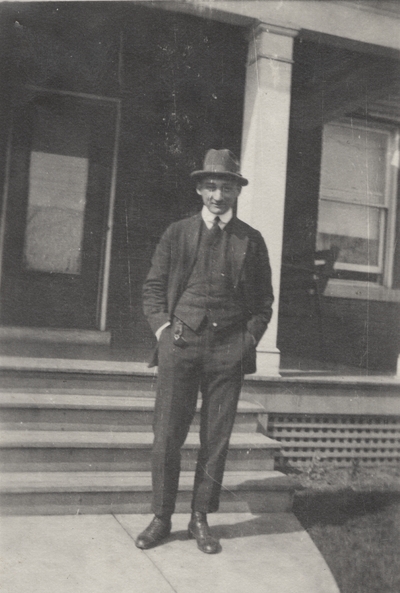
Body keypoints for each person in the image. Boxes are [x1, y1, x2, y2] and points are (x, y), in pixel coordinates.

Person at [136, 149, 274, 554]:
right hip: (180, 344)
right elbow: (153, 288)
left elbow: (264, 301)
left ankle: (200, 517)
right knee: (167, 437)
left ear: (237, 191)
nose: (218, 194)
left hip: (228, 350)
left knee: (216, 439)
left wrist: (247, 340)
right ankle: (162, 517)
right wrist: (163, 330)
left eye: (226, 186)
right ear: (199, 188)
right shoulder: (177, 233)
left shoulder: (252, 239)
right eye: (211, 186)